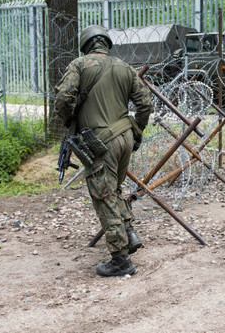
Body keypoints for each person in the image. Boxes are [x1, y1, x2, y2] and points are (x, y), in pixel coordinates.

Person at [55, 25, 153, 277]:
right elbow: (145, 104)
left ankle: (120, 260)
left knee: (104, 196)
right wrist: (136, 131)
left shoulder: (79, 65)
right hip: (125, 138)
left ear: (86, 45)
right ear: (107, 44)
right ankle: (129, 233)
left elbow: (64, 98)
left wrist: (69, 120)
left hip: (100, 143)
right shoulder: (124, 67)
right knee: (114, 189)